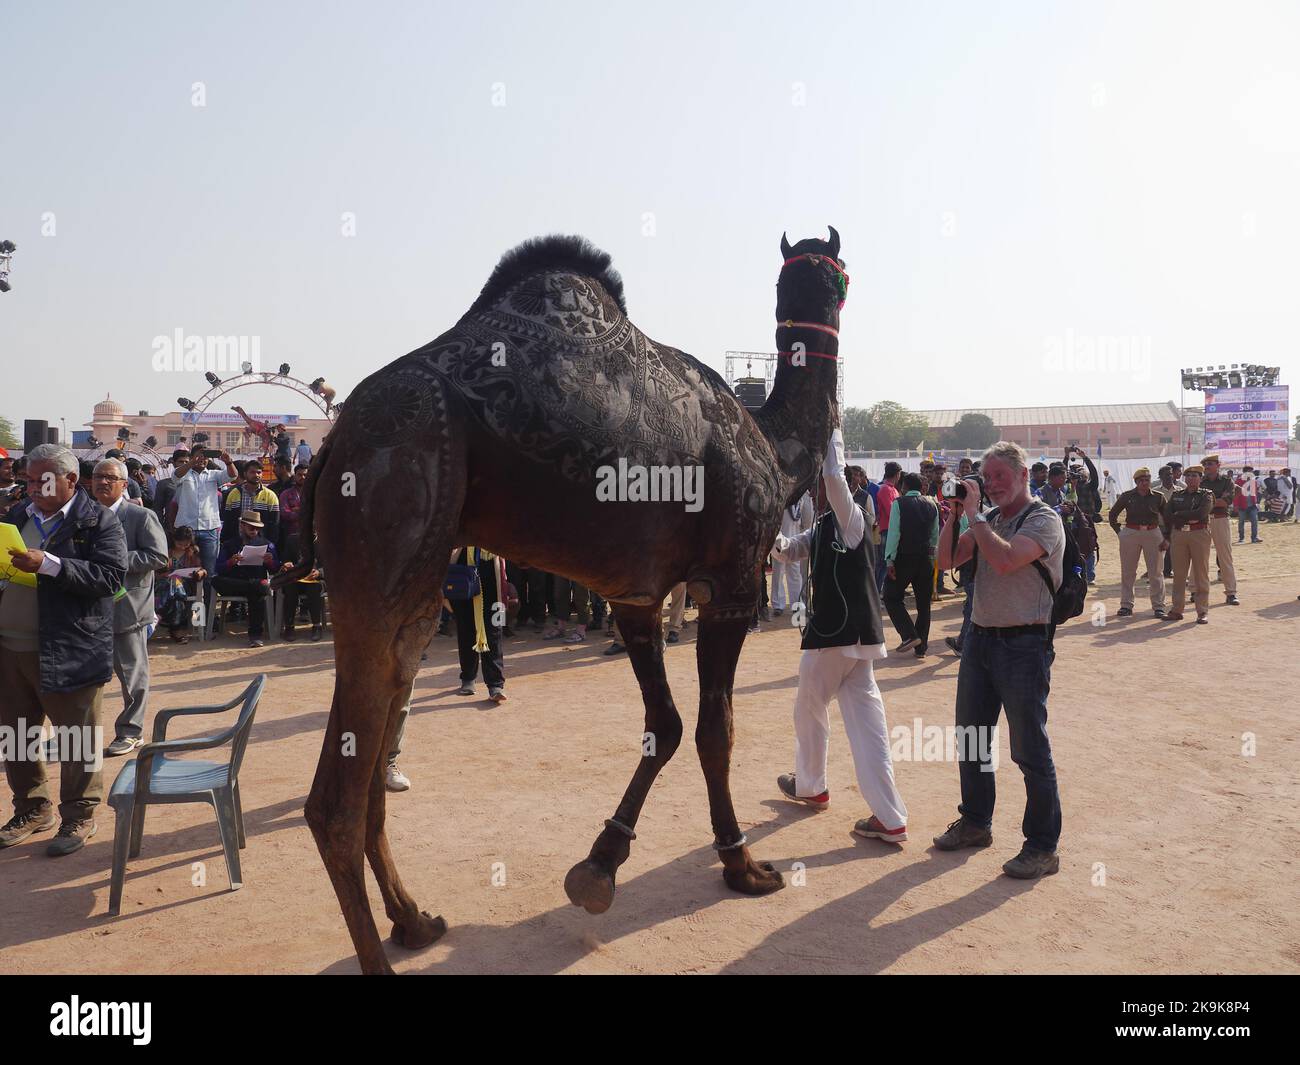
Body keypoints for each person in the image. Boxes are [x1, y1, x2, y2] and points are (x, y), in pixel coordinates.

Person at [770, 428, 908, 844]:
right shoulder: (826, 526)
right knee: (868, 729)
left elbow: (833, 478)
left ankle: (812, 786)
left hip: (835, 636)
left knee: (808, 710)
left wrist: (830, 432)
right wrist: (763, 528)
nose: (819, 489)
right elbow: (787, 549)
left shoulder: (852, 519)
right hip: (857, 642)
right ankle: (890, 816)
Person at [934, 440, 1065, 880]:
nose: (991, 485)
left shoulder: (1044, 519)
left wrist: (974, 516)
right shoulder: (987, 518)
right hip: (980, 641)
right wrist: (956, 513)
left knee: (1029, 749)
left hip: (1024, 645)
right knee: (971, 739)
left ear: (1024, 475)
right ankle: (975, 822)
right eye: (986, 478)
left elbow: (1007, 561)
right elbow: (945, 559)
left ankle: (1042, 847)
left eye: (999, 477)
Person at [0, 444, 127, 856]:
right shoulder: (18, 516)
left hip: (69, 648)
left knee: (76, 739)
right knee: (17, 736)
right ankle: (33, 808)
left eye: (42, 480)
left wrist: (51, 564)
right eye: (29, 479)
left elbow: (109, 578)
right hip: (10, 647)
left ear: (71, 480)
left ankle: (78, 815)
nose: (32, 487)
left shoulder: (100, 522)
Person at [90, 459, 169, 756]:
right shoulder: (84, 516)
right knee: (84, 676)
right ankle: (77, 733)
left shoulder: (140, 516)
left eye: (110, 477)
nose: (103, 482)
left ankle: (130, 732)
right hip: (88, 609)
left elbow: (158, 557)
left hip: (127, 609)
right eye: (98, 476)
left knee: (132, 676)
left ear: (124, 484)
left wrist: (116, 560)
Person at [882, 472, 939, 657]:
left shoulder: (899, 504)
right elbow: (934, 535)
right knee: (924, 604)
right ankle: (921, 647)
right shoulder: (932, 504)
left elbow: (894, 534)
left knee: (891, 597)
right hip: (925, 559)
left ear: (904, 487)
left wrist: (889, 559)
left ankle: (909, 634)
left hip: (903, 558)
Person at [213, 513, 285, 647]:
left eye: (257, 528)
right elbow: (218, 568)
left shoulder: (267, 545)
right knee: (216, 581)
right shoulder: (230, 544)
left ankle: (255, 636)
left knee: (256, 591)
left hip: (255, 583)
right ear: (242, 526)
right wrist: (230, 562)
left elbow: (276, 569)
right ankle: (255, 586)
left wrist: (270, 562)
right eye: (251, 527)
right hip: (235, 583)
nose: (254, 530)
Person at [173, 448, 237, 595]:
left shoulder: (214, 475)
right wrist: (192, 462)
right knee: (184, 572)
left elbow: (232, 475)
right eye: (199, 456)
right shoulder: (184, 473)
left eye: (205, 456)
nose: (202, 459)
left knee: (209, 572)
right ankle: (185, 612)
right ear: (192, 457)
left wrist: (228, 462)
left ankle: (207, 614)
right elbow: (176, 475)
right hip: (186, 530)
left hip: (209, 530)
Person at [1108, 467, 1167, 618]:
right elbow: (1113, 514)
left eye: (1147, 480)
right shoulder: (1127, 496)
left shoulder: (1158, 497)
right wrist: (1120, 533)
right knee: (1128, 572)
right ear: (1136, 482)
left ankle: (1159, 606)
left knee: (1156, 572)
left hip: (1153, 532)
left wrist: (1166, 537)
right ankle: (1126, 605)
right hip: (1131, 532)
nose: (1144, 483)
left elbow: (1168, 517)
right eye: (1141, 480)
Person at [451, 546, 507, 700]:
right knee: (466, 629)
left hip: (493, 572)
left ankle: (496, 685)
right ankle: (468, 678)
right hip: (463, 571)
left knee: (494, 631)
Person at [1161, 465, 1213, 624]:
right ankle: (1177, 610)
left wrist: (1179, 514)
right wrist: (1182, 517)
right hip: (1179, 535)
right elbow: (1167, 515)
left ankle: (1202, 611)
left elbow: (1201, 514)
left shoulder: (1206, 495)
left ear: (1201, 478)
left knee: (1200, 574)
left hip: (1199, 534)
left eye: (1194, 475)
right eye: (1188, 475)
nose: (1190, 478)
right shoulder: (1177, 495)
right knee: (1179, 575)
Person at [1199, 455, 1240, 607]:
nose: (1207, 467)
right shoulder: (1200, 481)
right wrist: (1216, 499)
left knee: (1225, 557)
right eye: (1205, 464)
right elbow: (1197, 503)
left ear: (1218, 465)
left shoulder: (1227, 481)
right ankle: (1195, 591)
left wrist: (1207, 500)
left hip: (1220, 519)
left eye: (1210, 464)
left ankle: (1231, 592)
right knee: (1198, 557)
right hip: (1202, 520)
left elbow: (1226, 502)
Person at [158, 526, 205, 643]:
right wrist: (165, 572)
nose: (183, 547)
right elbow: (157, 572)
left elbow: (202, 570)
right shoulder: (166, 552)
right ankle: (177, 631)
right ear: (174, 540)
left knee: (176, 586)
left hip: (186, 586)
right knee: (176, 594)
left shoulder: (192, 552)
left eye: (186, 544)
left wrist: (198, 573)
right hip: (165, 586)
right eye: (180, 544)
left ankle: (161, 612)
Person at [772, 491, 813, 617]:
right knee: (778, 573)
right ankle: (778, 605)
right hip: (779, 540)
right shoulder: (780, 493)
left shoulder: (802, 496)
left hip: (795, 539)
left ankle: (797, 605)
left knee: (795, 574)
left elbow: (808, 520)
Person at [222, 460, 280, 547]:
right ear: (245, 474)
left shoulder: (270, 495)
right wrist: (226, 542)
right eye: (252, 472)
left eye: (259, 472)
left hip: (261, 543)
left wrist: (270, 543)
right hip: (237, 542)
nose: (256, 475)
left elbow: (275, 523)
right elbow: (228, 521)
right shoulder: (234, 493)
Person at [873, 462, 901, 591]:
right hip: (887, 530)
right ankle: (877, 592)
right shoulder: (885, 489)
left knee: (888, 563)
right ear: (897, 474)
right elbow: (892, 512)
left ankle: (882, 591)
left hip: (892, 530)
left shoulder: (892, 489)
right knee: (883, 563)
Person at [1234, 467, 1261, 543]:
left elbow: (1255, 493)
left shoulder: (1254, 482)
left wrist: (1256, 502)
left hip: (1252, 505)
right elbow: (1235, 494)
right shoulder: (1238, 481)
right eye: (1250, 472)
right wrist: (1235, 505)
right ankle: (1241, 538)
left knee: (1255, 522)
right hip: (1241, 505)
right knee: (1241, 522)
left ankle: (1254, 538)